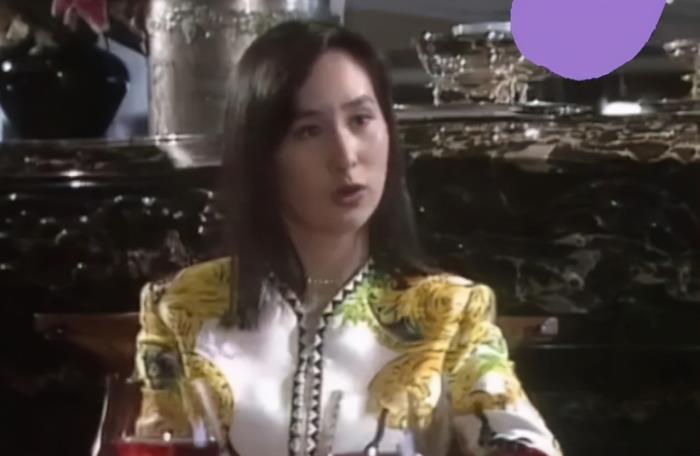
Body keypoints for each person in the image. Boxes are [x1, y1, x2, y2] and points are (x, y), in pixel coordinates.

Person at [132, 20, 562, 456]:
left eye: (361, 119)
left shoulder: (447, 313)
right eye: (308, 130)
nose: (345, 155)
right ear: (261, 154)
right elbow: (158, 441)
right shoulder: (182, 309)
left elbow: (519, 436)